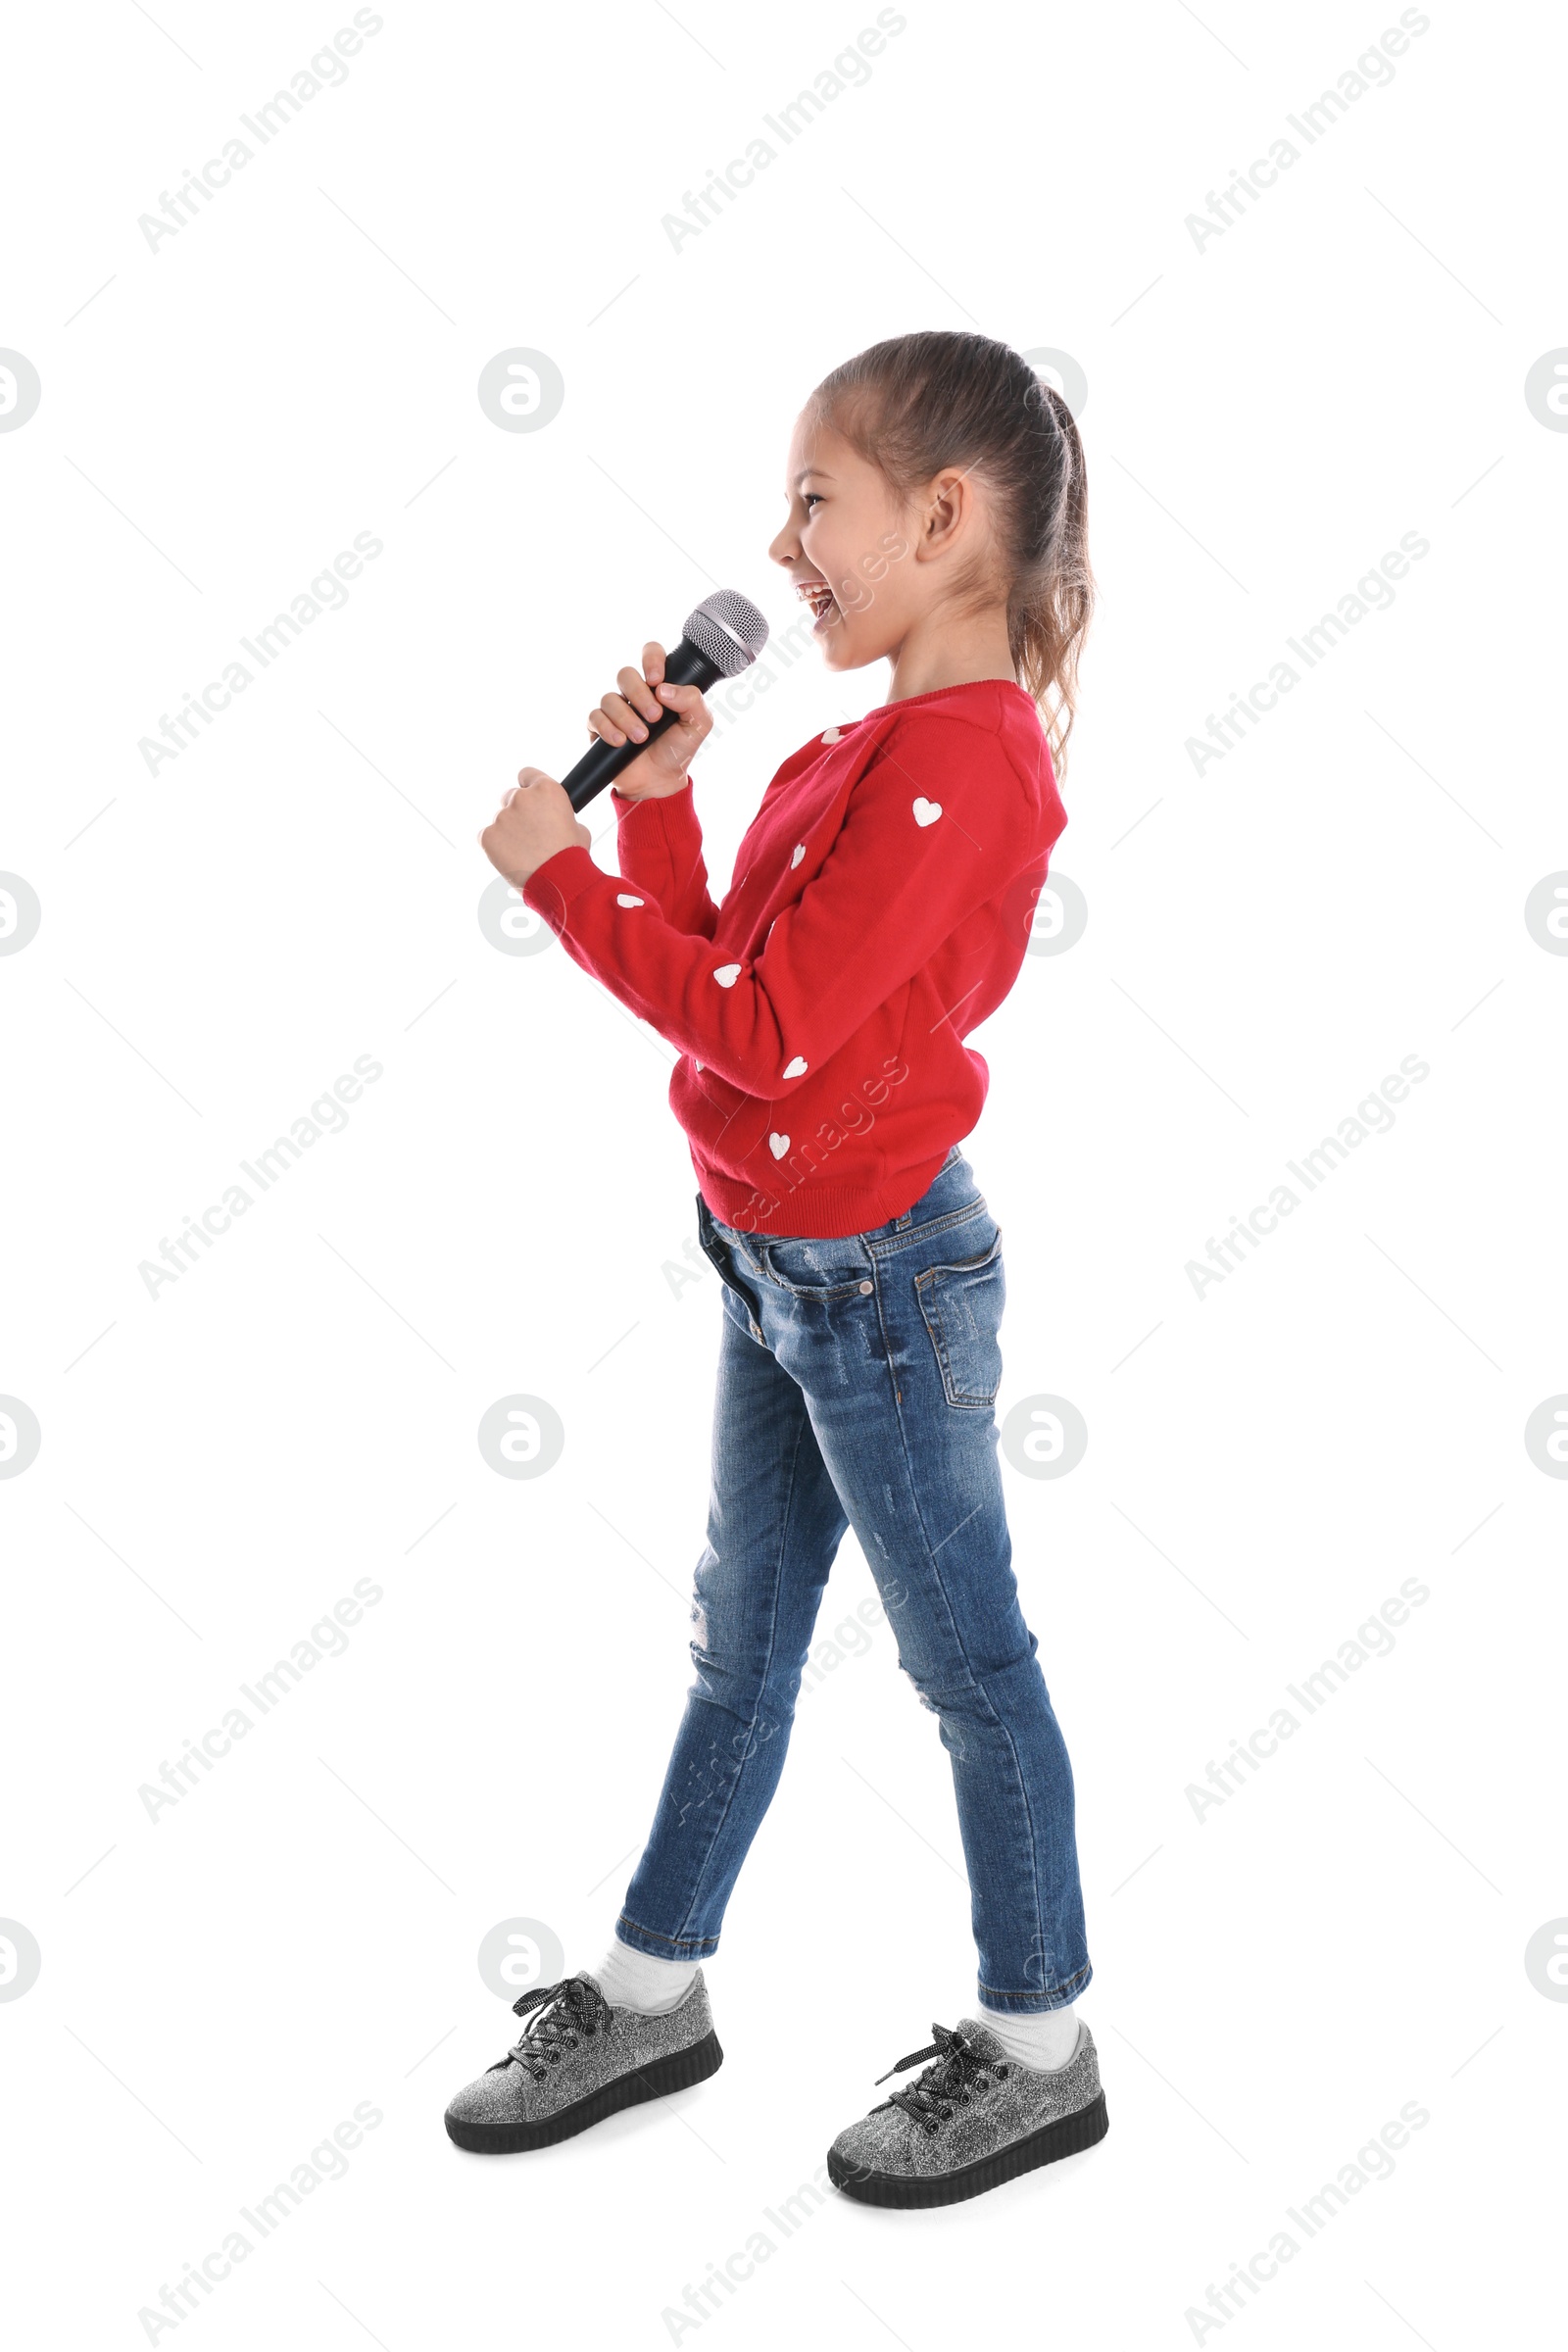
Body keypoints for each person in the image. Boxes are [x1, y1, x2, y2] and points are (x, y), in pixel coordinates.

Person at [450, 330, 1107, 2206]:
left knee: (967, 1662)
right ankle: (652, 1992)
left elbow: (767, 1032)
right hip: (779, 1263)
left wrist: (556, 880)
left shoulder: (957, 767)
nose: (784, 540)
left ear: (946, 515)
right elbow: (734, 963)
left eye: (819, 497)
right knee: (741, 1647)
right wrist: (653, 803)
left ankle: (1040, 2041)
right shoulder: (863, 747)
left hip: (882, 1285)